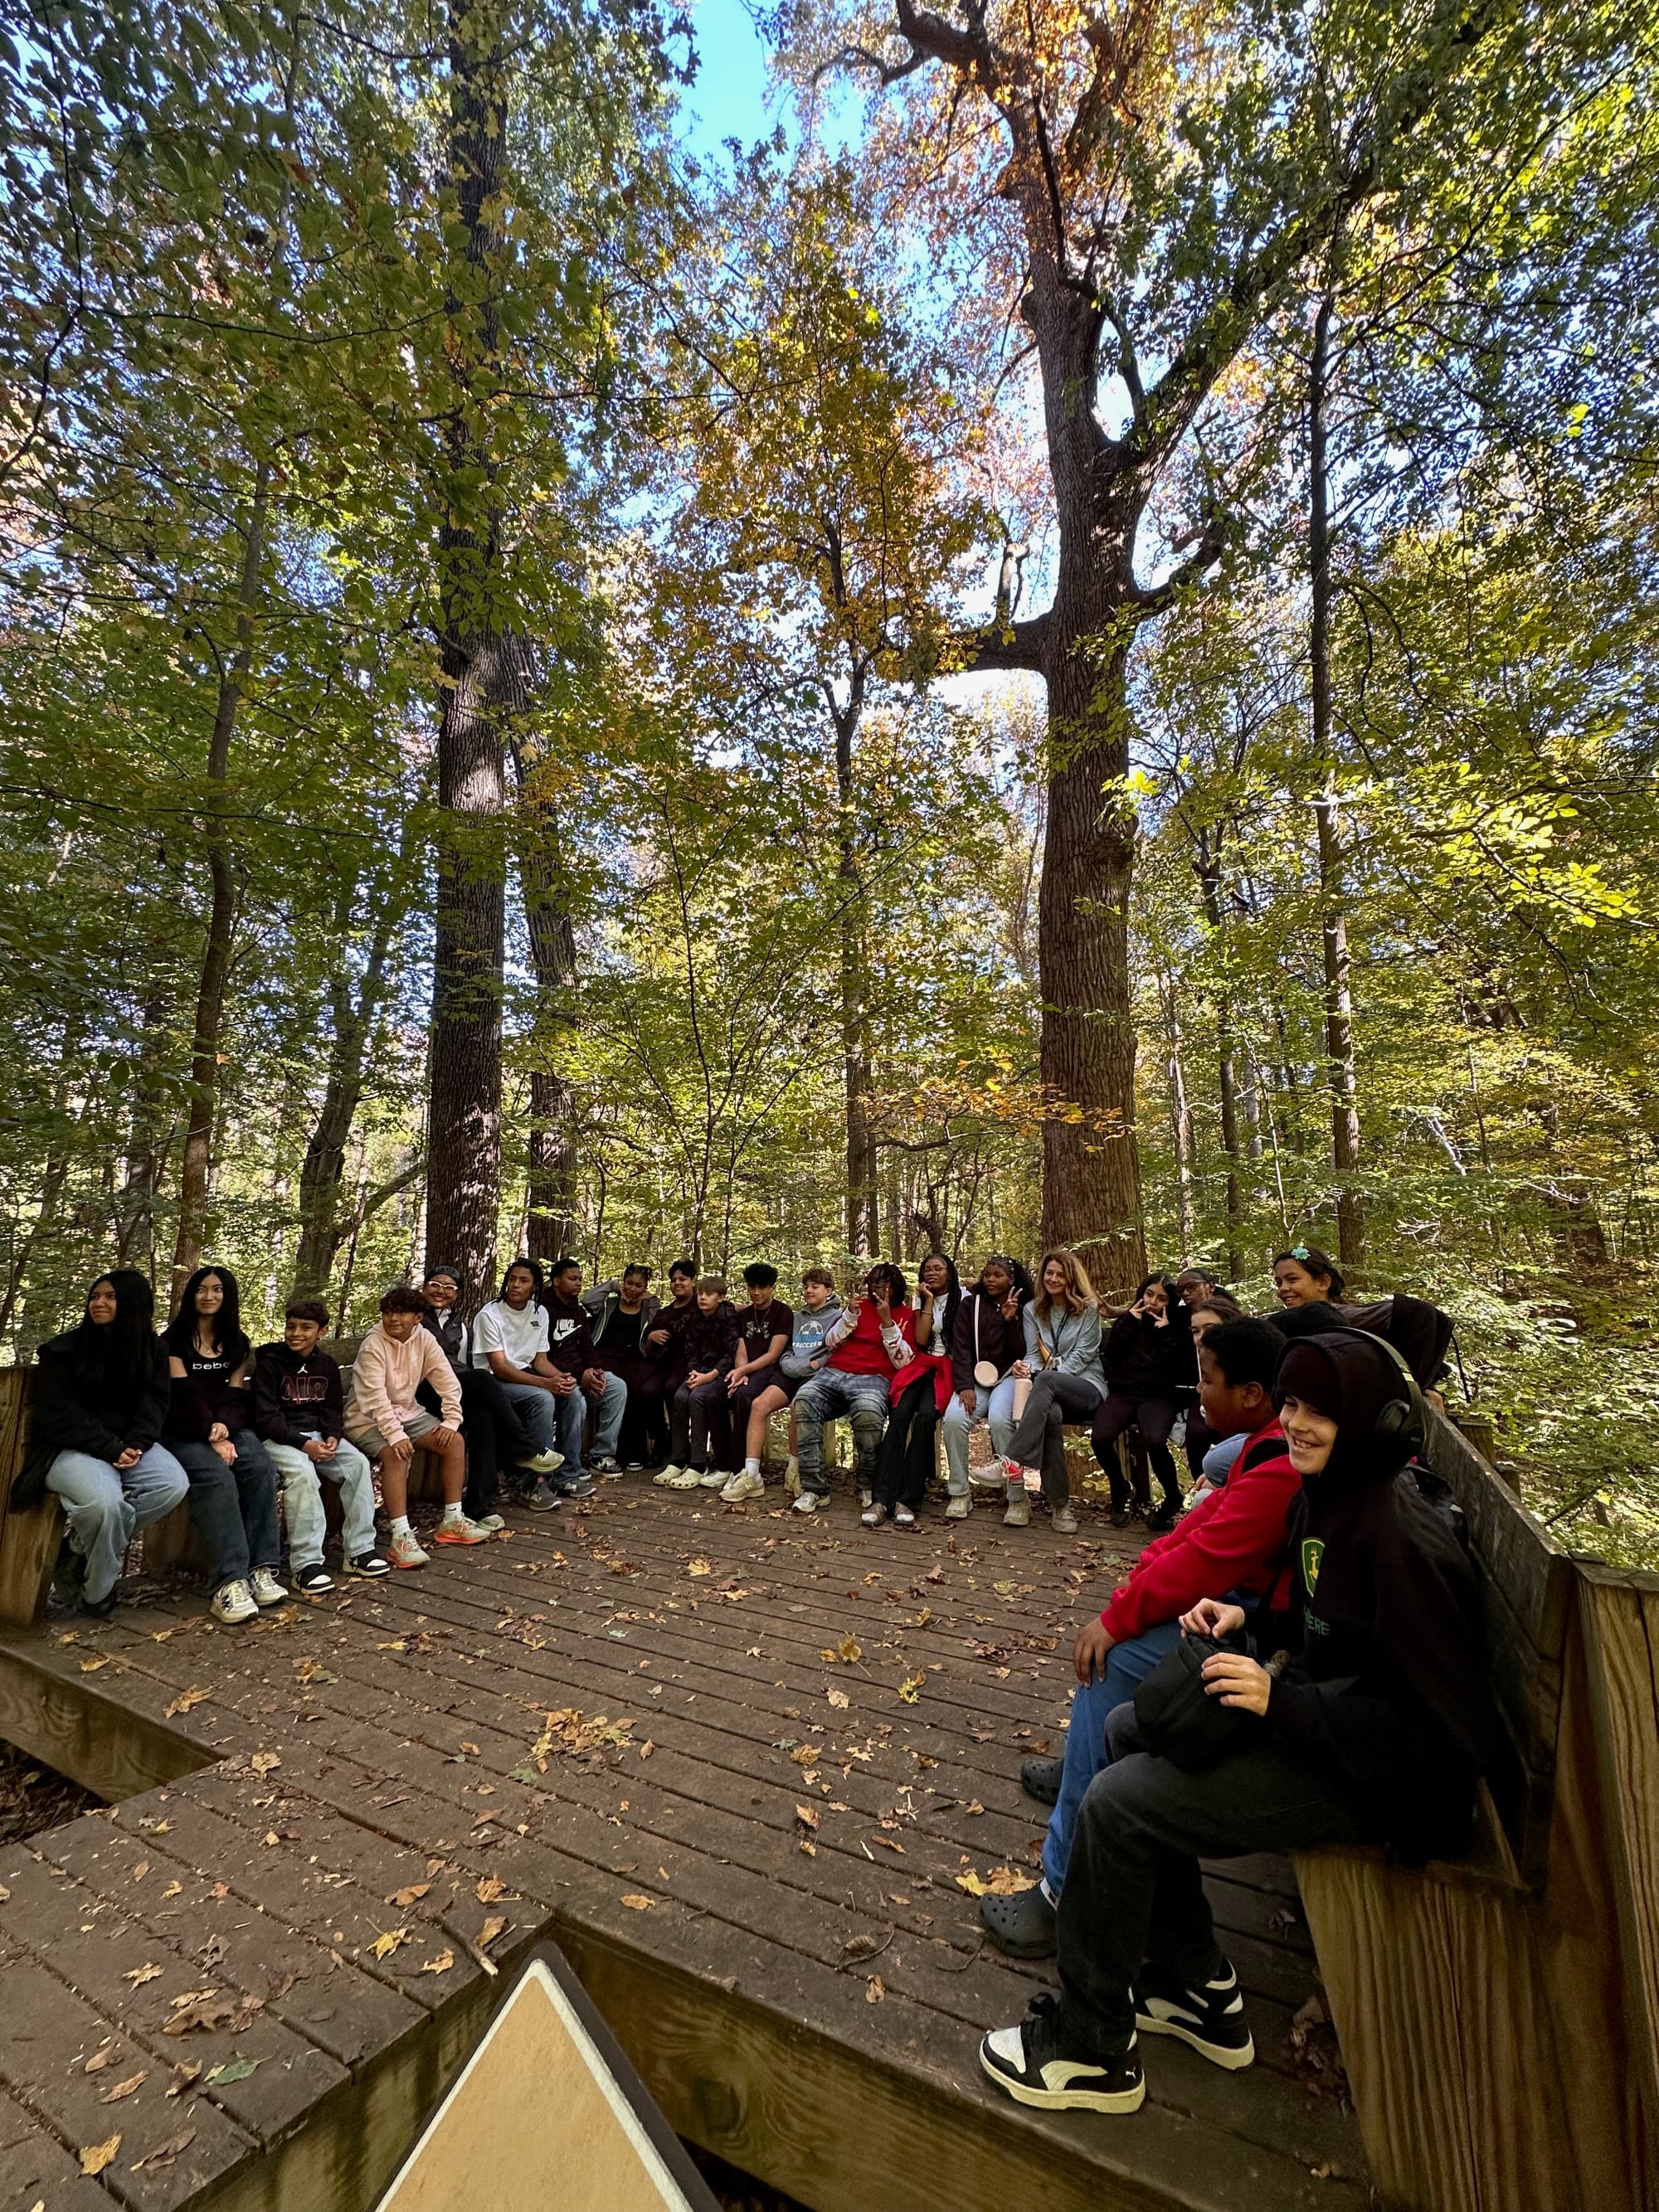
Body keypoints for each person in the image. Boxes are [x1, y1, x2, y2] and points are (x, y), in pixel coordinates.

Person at [978, 1325, 1499, 2117]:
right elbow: (1335, 1631)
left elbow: (1442, 1742)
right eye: (1290, 1402)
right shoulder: (1333, 1497)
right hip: (1328, 1723)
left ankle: (1092, 2047)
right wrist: (1255, 1629)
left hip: (1384, 1785)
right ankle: (1193, 1984)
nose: (1295, 1422)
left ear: (1375, 1419)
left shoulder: (1400, 1538)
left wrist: (1278, 1698)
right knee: (1128, 1730)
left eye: (1319, 1409)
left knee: (1119, 1805)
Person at [980, 1317, 1301, 1960]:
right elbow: (1196, 1531)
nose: (1199, 1393)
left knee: (1112, 1661)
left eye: (1207, 1380)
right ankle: (1085, 1759)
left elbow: (1207, 1557)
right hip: (1244, 1612)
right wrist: (1137, 1583)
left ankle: (1061, 1889)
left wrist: (1119, 1616)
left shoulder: (1280, 1462)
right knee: (1120, 1645)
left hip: (1271, 1646)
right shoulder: (1264, 1445)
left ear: (1252, 1394)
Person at [17, 1270, 189, 1619]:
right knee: (105, 1506)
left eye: (110, 1297)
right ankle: (98, 1593)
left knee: (172, 1485)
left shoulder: (153, 1350)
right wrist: (110, 1448)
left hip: (129, 1445)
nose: (99, 1303)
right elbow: (59, 1416)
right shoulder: (63, 1351)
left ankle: (76, 1548)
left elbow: (155, 1404)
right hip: (68, 1449)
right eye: (95, 1296)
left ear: (133, 1303)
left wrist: (137, 1444)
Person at [162, 1266, 286, 1626]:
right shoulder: (173, 1341)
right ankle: (229, 1583)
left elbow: (234, 1395)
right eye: (201, 1289)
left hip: (225, 1427)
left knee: (260, 1465)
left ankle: (261, 1569)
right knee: (217, 1477)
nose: (209, 1296)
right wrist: (211, 1435)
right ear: (191, 1296)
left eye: (217, 1290)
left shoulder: (236, 1342)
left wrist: (226, 1429)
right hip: (183, 1430)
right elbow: (183, 1398)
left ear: (227, 1296)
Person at [345, 1285, 488, 1568]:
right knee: (397, 1454)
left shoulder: (424, 1339)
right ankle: (401, 1537)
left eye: (401, 1313)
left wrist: (451, 1421)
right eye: (387, 1313)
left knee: (454, 1442)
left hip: (408, 1414)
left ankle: (452, 1519)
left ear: (418, 1317)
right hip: (366, 1418)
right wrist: (396, 1436)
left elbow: (447, 1381)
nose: (393, 1319)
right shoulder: (373, 1344)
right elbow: (374, 1399)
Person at [251, 1299, 386, 1590]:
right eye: (291, 1327)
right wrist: (303, 1445)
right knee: (303, 1474)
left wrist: (333, 1435)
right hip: (279, 1439)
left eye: (306, 1328)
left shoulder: (325, 1365)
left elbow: (331, 1408)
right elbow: (266, 1418)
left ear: (321, 1332)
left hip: (319, 1438)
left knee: (357, 1464)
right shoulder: (270, 1366)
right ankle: (306, 1564)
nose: (296, 1333)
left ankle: (360, 1550)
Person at [420, 1264, 569, 1516]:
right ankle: (523, 1447)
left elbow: (460, 1365)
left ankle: (478, 1507)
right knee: (483, 1378)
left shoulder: (459, 1325)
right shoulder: (414, 1318)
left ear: (457, 1294)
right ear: (424, 1288)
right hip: (423, 1391)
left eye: (449, 1288)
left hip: (452, 1392)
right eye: (435, 1285)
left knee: (483, 1417)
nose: (440, 1291)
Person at [791, 1263, 914, 1517]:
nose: (878, 1288)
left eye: (884, 1283)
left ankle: (867, 1484)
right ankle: (814, 1489)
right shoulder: (859, 1307)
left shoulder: (907, 1315)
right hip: (835, 1372)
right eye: (874, 1282)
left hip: (874, 1377)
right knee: (804, 1400)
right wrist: (849, 1316)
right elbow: (831, 1343)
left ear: (896, 1286)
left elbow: (903, 1361)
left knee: (868, 1412)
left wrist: (887, 1322)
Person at [999, 1250, 1106, 1536]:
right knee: (1051, 1416)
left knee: (1046, 1380)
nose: (1054, 1279)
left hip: (1087, 1388)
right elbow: (1034, 1354)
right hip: (1052, 1393)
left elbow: (1084, 1355)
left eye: (1060, 1274)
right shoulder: (1033, 1309)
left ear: (1071, 1277)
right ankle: (1061, 1507)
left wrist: (1043, 1376)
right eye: (1049, 1273)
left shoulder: (1089, 1308)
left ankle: (1011, 1460)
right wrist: (1025, 1368)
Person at [1089, 1272, 1195, 1533]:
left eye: (1161, 1298)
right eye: (1149, 1295)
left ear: (1169, 1302)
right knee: (1100, 1437)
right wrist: (1128, 1323)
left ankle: (1173, 1497)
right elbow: (1112, 1355)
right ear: (1142, 1293)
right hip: (1123, 1393)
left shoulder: (1177, 1324)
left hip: (1158, 1396)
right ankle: (1121, 1487)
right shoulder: (1129, 1319)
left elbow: (1179, 1368)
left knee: (1155, 1440)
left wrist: (1165, 1332)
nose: (1153, 1302)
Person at [725, 1266, 842, 1501]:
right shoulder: (797, 1317)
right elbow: (786, 1350)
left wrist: (814, 1365)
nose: (809, 1291)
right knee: (758, 1404)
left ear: (828, 1291)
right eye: (806, 1287)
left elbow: (837, 1352)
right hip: (789, 1373)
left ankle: (794, 1472)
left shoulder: (838, 1318)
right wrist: (789, 1364)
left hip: (816, 1377)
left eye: (815, 1287)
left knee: (797, 1408)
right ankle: (751, 1475)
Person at [865, 1252, 960, 1526]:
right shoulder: (920, 1299)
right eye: (927, 1269)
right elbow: (920, 1339)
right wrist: (928, 1300)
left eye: (938, 1268)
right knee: (899, 1414)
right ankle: (881, 1498)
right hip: (921, 1365)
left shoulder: (962, 1299)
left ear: (949, 1273)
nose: (932, 1273)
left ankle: (910, 1498)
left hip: (947, 1369)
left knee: (926, 1417)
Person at [941, 1256, 1034, 1515]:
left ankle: (1017, 1499)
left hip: (1008, 1378)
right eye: (987, 1275)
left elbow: (1021, 1353)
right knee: (954, 1420)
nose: (991, 1280)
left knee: (1001, 1421)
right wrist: (964, 1386)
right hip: (975, 1380)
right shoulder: (970, 1305)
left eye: (998, 1275)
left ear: (1012, 1279)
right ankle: (959, 1493)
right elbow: (961, 1348)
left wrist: (1010, 1320)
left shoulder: (1024, 1307)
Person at [539, 1257, 628, 1477]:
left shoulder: (578, 1312)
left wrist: (596, 1371)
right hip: (552, 1378)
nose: (578, 1283)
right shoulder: (541, 1311)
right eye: (572, 1279)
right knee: (575, 1398)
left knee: (617, 1387)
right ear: (557, 1281)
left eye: (580, 1279)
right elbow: (542, 1357)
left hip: (582, 1375)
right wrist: (580, 1376)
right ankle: (568, 1462)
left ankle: (601, 1454)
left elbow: (588, 1346)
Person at [720, 1265, 795, 1501]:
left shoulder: (783, 1312)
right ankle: (730, 1466)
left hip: (771, 1369)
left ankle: (742, 1468)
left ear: (772, 1287)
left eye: (762, 1287)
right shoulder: (744, 1315)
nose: (756, 1292)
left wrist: (744, 1371)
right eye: (752, 1287)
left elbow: (774, 1354)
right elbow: (741, 1347)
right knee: (726, 1393)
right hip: (748, 1368)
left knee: (745, 1396)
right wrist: (740, 1371)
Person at [658, 1276, 740, 1488]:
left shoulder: (728, 1318)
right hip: (699, 1372)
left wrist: (710, 1376)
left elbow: (730, 1355)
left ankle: (698, 1463)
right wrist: (694, 1372)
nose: (703, 1297)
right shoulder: (695, 1317)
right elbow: (691, 1349)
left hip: (721, 1375)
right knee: (679, 1396)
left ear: (720, 1298)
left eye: (709, 1294)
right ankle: (678, 1460)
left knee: (697, 1397)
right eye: (701, 1293)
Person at [591, 1265, 659, 1470]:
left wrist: (650, 1298)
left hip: (633, 1355)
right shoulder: (609, 1304)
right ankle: (614, 1452)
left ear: (645, 1287)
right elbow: (588, 1300)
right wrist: (612, 1286)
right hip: (606, 1354)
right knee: (616, 1389)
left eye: (639, 1285)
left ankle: (636, 1452)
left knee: (635, 1392)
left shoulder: (647, 1308)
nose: (632, 1288)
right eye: (629, 1283)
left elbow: (657, 1319)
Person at [1184, 1298, 1253, 1498]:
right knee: (1196, 1432)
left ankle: (1222, 1489)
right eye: (1196, 1331)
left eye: (1210, 1327)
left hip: (1240, 1414)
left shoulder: (1248, 1354)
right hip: (1207, 1405)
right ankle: (1204, 1486)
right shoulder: (1200, 1355)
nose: (1202, 1336)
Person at [637, 1261, 697, 1469]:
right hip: (665, 1362)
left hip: (692, 1362)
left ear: (693, 1281)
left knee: (673, 1388)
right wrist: (652, 1336)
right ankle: (661, 1439)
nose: (677, 1283)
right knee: (647, 1390)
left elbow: (728, 1309)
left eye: (683, 1279)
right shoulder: (665, 1313)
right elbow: (647, 1342)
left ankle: (681, 1445)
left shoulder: (701, 1304)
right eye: (673, 1280)